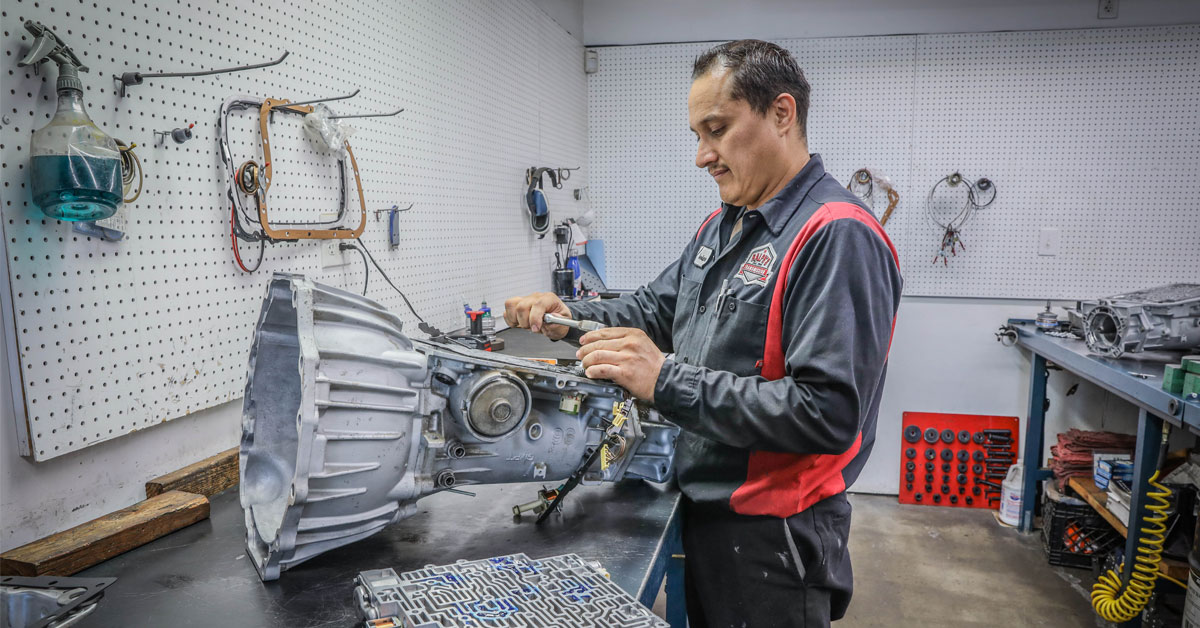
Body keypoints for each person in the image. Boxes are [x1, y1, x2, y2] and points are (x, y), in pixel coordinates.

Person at [504, 39, 901, 627]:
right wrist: (563, 317)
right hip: (703, 510)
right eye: (697, 134)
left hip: (774, 539)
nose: (702, 155)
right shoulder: (725, 224)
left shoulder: (836, 236)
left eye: (716, 130)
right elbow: (654, 312)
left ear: (782, 114)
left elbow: (827, 412)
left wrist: (664, 378)